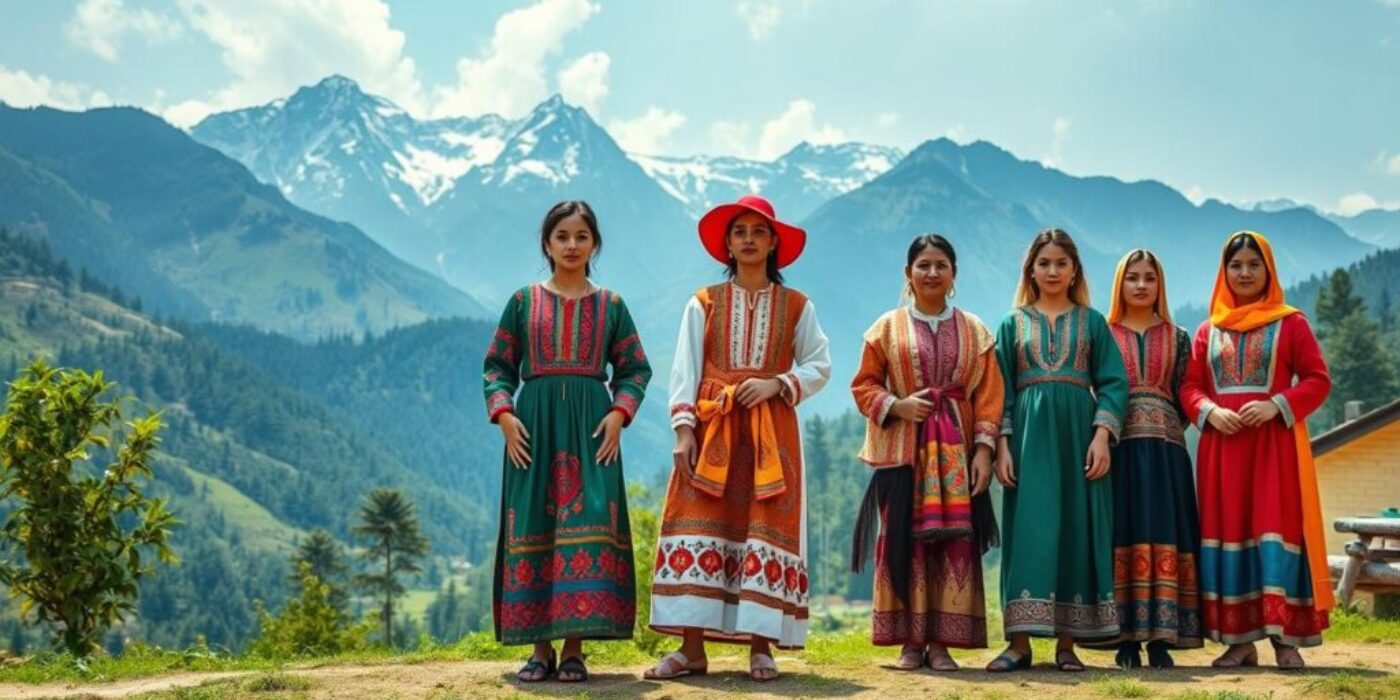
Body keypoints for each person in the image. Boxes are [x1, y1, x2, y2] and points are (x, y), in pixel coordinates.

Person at [645, 194, 831, 683]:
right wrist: (683, 429)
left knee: (763, 526)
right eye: (740, 232)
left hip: (773, 433)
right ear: (728, 243)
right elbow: (684, 367)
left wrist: (778, 383)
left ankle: (761, 646)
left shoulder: (797, 305)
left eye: (758, 231)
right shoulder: (703, 301)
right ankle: (691, 649)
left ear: (773, 242)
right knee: (700, 520)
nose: (749, 239)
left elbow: (820, 365)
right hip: (712, 427)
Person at [483, 201, 652, 683]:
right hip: (531, 431)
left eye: (581, 236)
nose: (572, 245)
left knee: (590, 520)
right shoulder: (522, 302)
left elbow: (635, 367)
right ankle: (540, 651)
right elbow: (496, 365)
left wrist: (620, 413)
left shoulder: (612, 306)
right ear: (547, 244)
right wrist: (505, 414)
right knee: (533, 523)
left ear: (594, 243)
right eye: (562, 236)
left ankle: (575, 649)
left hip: (593, 431)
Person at [850, 234, 1004, 671]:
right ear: (908, 274)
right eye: (923, 265)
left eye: (940, 265)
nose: (932, 273)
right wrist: (895, 405)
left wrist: (985, 450)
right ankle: (910, 643)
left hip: (957, 452)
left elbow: (990, 395)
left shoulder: (976, 331)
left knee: (952, 544)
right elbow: (863, 385)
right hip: (902, 452)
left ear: (953, 274)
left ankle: (942, 644)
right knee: (903, 542)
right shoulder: (884, 329)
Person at [1180, 231, 1333, 670]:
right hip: (1222, 452)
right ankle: (1238, 640)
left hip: (1273, 450)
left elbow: (1317, 379)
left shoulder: (1292, 323)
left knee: (1274, 531)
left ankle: (1285, 639)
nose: (1244, 273)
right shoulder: (1209, 330)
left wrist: (1275, 405)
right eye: (1236, 265)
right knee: (1229, 534)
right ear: (1223, 272)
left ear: (1268, 270)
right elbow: (1189, 386)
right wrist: (1208, 410)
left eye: (1253, 265)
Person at [988, 228, 1128, 673]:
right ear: (1031, 269)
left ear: (1074, 271)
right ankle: (1019, 645)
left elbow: (1112, 384)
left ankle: (1069, 644)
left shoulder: (1092, 323)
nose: (1052, 271)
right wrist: (1002, 447)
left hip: (1079, 440)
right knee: (1029, 533)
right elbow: (999, 391)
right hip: (1028, 441)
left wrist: (1102, 437)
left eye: (1061, 263)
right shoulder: (1012, 323)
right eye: (1044, 263)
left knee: (1075, 531)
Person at [1101, 249, 1202, 668]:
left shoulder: (1178, 336)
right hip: (1117, 450)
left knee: (1165, 530)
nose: (1141, 285)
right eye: (1132, 277)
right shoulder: (1102, 333)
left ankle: (1162, 637)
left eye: (1149, 278)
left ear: (1160, 284)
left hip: (1165, 454)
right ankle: (1125, 639)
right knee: (1121, 530)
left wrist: (1160, 420)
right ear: (1119, 284)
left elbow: (1186, 392)